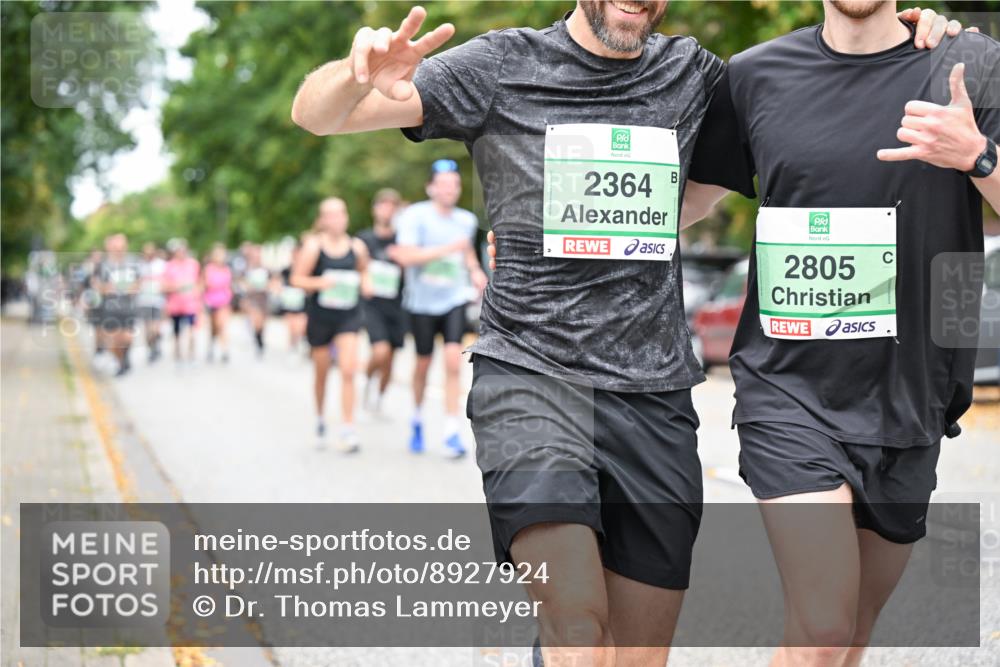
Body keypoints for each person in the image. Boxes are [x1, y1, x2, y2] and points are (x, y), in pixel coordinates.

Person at [291, 3, 959, 664]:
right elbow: (316, 115)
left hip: (655, 394)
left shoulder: (693, 75)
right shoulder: (501, 65)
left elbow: (807, 89)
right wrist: (355, 75)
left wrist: (914, 34)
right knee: (579, 630)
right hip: (532, 375)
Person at [675, 1, 1000, 664]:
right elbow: (688, 200)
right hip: (787, 388)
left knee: (847, 633)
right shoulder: (754, 75)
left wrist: (979, 157)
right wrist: (546, 228)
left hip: (914, 393)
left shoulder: (971, 64)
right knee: (824, 623)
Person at [389, 162, 486, 458]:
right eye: (444, 184)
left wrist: (474, 271)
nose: (449, 189)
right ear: (431, 187)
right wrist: (446, 250)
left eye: (454, 184)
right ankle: (417, 418)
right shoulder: (414, 216)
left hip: (454, 298)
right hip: (421, 302)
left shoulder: (466, 220)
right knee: (422, 364)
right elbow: (405, 257)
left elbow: (466, 251)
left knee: (454, 362)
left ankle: (451, 431)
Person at [292, 198, 371, 453]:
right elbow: (296, 279)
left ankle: (348, 428)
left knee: (349, 369)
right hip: (320, 317)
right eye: (331, 215)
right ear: (323, 220)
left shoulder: (356, 246)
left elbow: (364, 271)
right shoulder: (314, 246)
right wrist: (320, 284)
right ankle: (320, 418)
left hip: (348, 315)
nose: (337, 219)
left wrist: (366, 284)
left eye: (341, 213)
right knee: (322, 372)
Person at [358, 188, 406, 413]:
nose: (387, 211)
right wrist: (363, 278)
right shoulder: (363, 240)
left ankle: (380, 397)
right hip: (372, 304)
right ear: (375, 209)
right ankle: (367, 380)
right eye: (383, 205)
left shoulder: (404, 239)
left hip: (397, 305)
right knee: (380, 351)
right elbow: (352, 267)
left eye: (392, 207)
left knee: (390, 360)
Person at [93, 234, 141, 376]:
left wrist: (130, 289)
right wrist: (106, 289)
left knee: (127, 338)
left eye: (122, 247)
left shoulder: (133, 262)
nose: (119, 250)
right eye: (116, 247)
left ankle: (125, 357)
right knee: (114, 339)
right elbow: (97, 285)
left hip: (128, 306)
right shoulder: (103, 264)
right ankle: (121, 362)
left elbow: (138, 282)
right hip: (110, 307)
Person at [163, 238, 201, 364]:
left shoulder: (193, 264)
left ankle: (191, 354)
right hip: (175, 304)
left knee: (192, 330)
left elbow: (199, 282)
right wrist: (177, 286)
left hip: (190, 304)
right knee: (177, 332)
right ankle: (178, 354)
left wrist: (197, 292)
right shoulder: (169, 266)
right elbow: (164, 285)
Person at [202, 243, 234, 363]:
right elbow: (206, 284)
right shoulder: (208, 268)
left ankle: (225, 350)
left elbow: (229, 285)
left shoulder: (227, 269)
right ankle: (211, 345)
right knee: (213, 327)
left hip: (224, 302)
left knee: (223, 326)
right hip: (211, 301)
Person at [136, 242, 166, 363]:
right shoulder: (139, 266)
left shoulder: (161, 265)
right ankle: (152, 349)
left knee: (155, 328)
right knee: (147, 329)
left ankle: (156, 343)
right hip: (144, 301)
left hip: (157, 300)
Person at [278, 240, 308, 354]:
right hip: (290, 301)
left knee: (301, 326)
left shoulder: (307, 269)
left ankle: (299, 342)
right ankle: (293, 346)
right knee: (291, 327)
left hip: (302, 301)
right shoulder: (286, 270)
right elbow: (280, 283)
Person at [241, 243, 271, 358]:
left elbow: (273, 281)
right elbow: (241, 282)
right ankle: (258, 343)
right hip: (252, 298)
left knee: (262, 324)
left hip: (263, 298)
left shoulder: (266, 268)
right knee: (256, 320)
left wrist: (267, 286)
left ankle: (259, 339)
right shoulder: (247, 268)